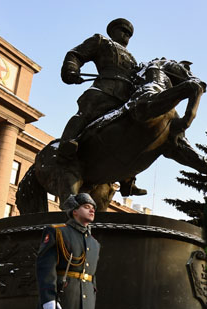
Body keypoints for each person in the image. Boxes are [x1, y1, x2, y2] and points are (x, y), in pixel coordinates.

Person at [59, 18, 146, 196]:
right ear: (112, 31)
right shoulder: (101, 41)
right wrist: (71, 70)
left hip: (125, 98)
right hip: (104, 89)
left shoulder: (133, 59)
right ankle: (67, 142)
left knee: (134, 132)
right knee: (87, 111)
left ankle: (128, 180)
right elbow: (75, 54)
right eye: (123, 31)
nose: (126, 36)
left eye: (129, 34)